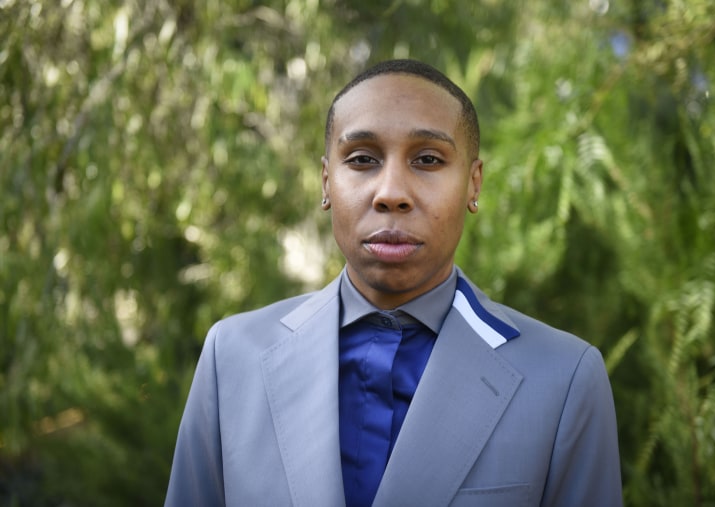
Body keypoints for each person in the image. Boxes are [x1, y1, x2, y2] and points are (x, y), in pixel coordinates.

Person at [164, 59, 623, 507]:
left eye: (428, 159)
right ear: (326, 181)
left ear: (473, 184)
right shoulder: (233, 357)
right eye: (362, 159)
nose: (391, 194)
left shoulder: (563, 379)